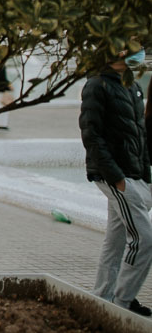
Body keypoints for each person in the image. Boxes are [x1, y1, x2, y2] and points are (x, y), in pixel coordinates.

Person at [80, 42, 152, 316]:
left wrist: (145, 175)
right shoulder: (97, 85)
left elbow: (140, 134)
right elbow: (92, 136)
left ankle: (102, 298)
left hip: (133, 176)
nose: (140, 54)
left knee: (115, 241)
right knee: (145, 239)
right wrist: (117, 179)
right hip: (114, 176)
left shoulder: (132, 86)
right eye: (134, 49)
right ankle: (123, 302)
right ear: (118, 53)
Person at [0, 66, 14, 131]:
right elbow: (2, 78)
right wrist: (8, 87)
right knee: (3, 107)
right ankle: (2, 124)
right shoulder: (1, 66)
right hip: (1, 89)